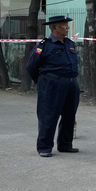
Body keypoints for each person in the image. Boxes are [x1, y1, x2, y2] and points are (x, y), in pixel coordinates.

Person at [26, 15, 80, 157]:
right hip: (52, 83)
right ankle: (44, 147)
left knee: (69, 115)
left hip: (70, 83)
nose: (67, 28)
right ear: (54, 28)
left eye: (67, 25)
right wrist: (43, 82)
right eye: (64, 25)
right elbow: (31, 66)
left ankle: (65, 144)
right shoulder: (44, 45)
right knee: (49, 115)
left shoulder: (70, 44)